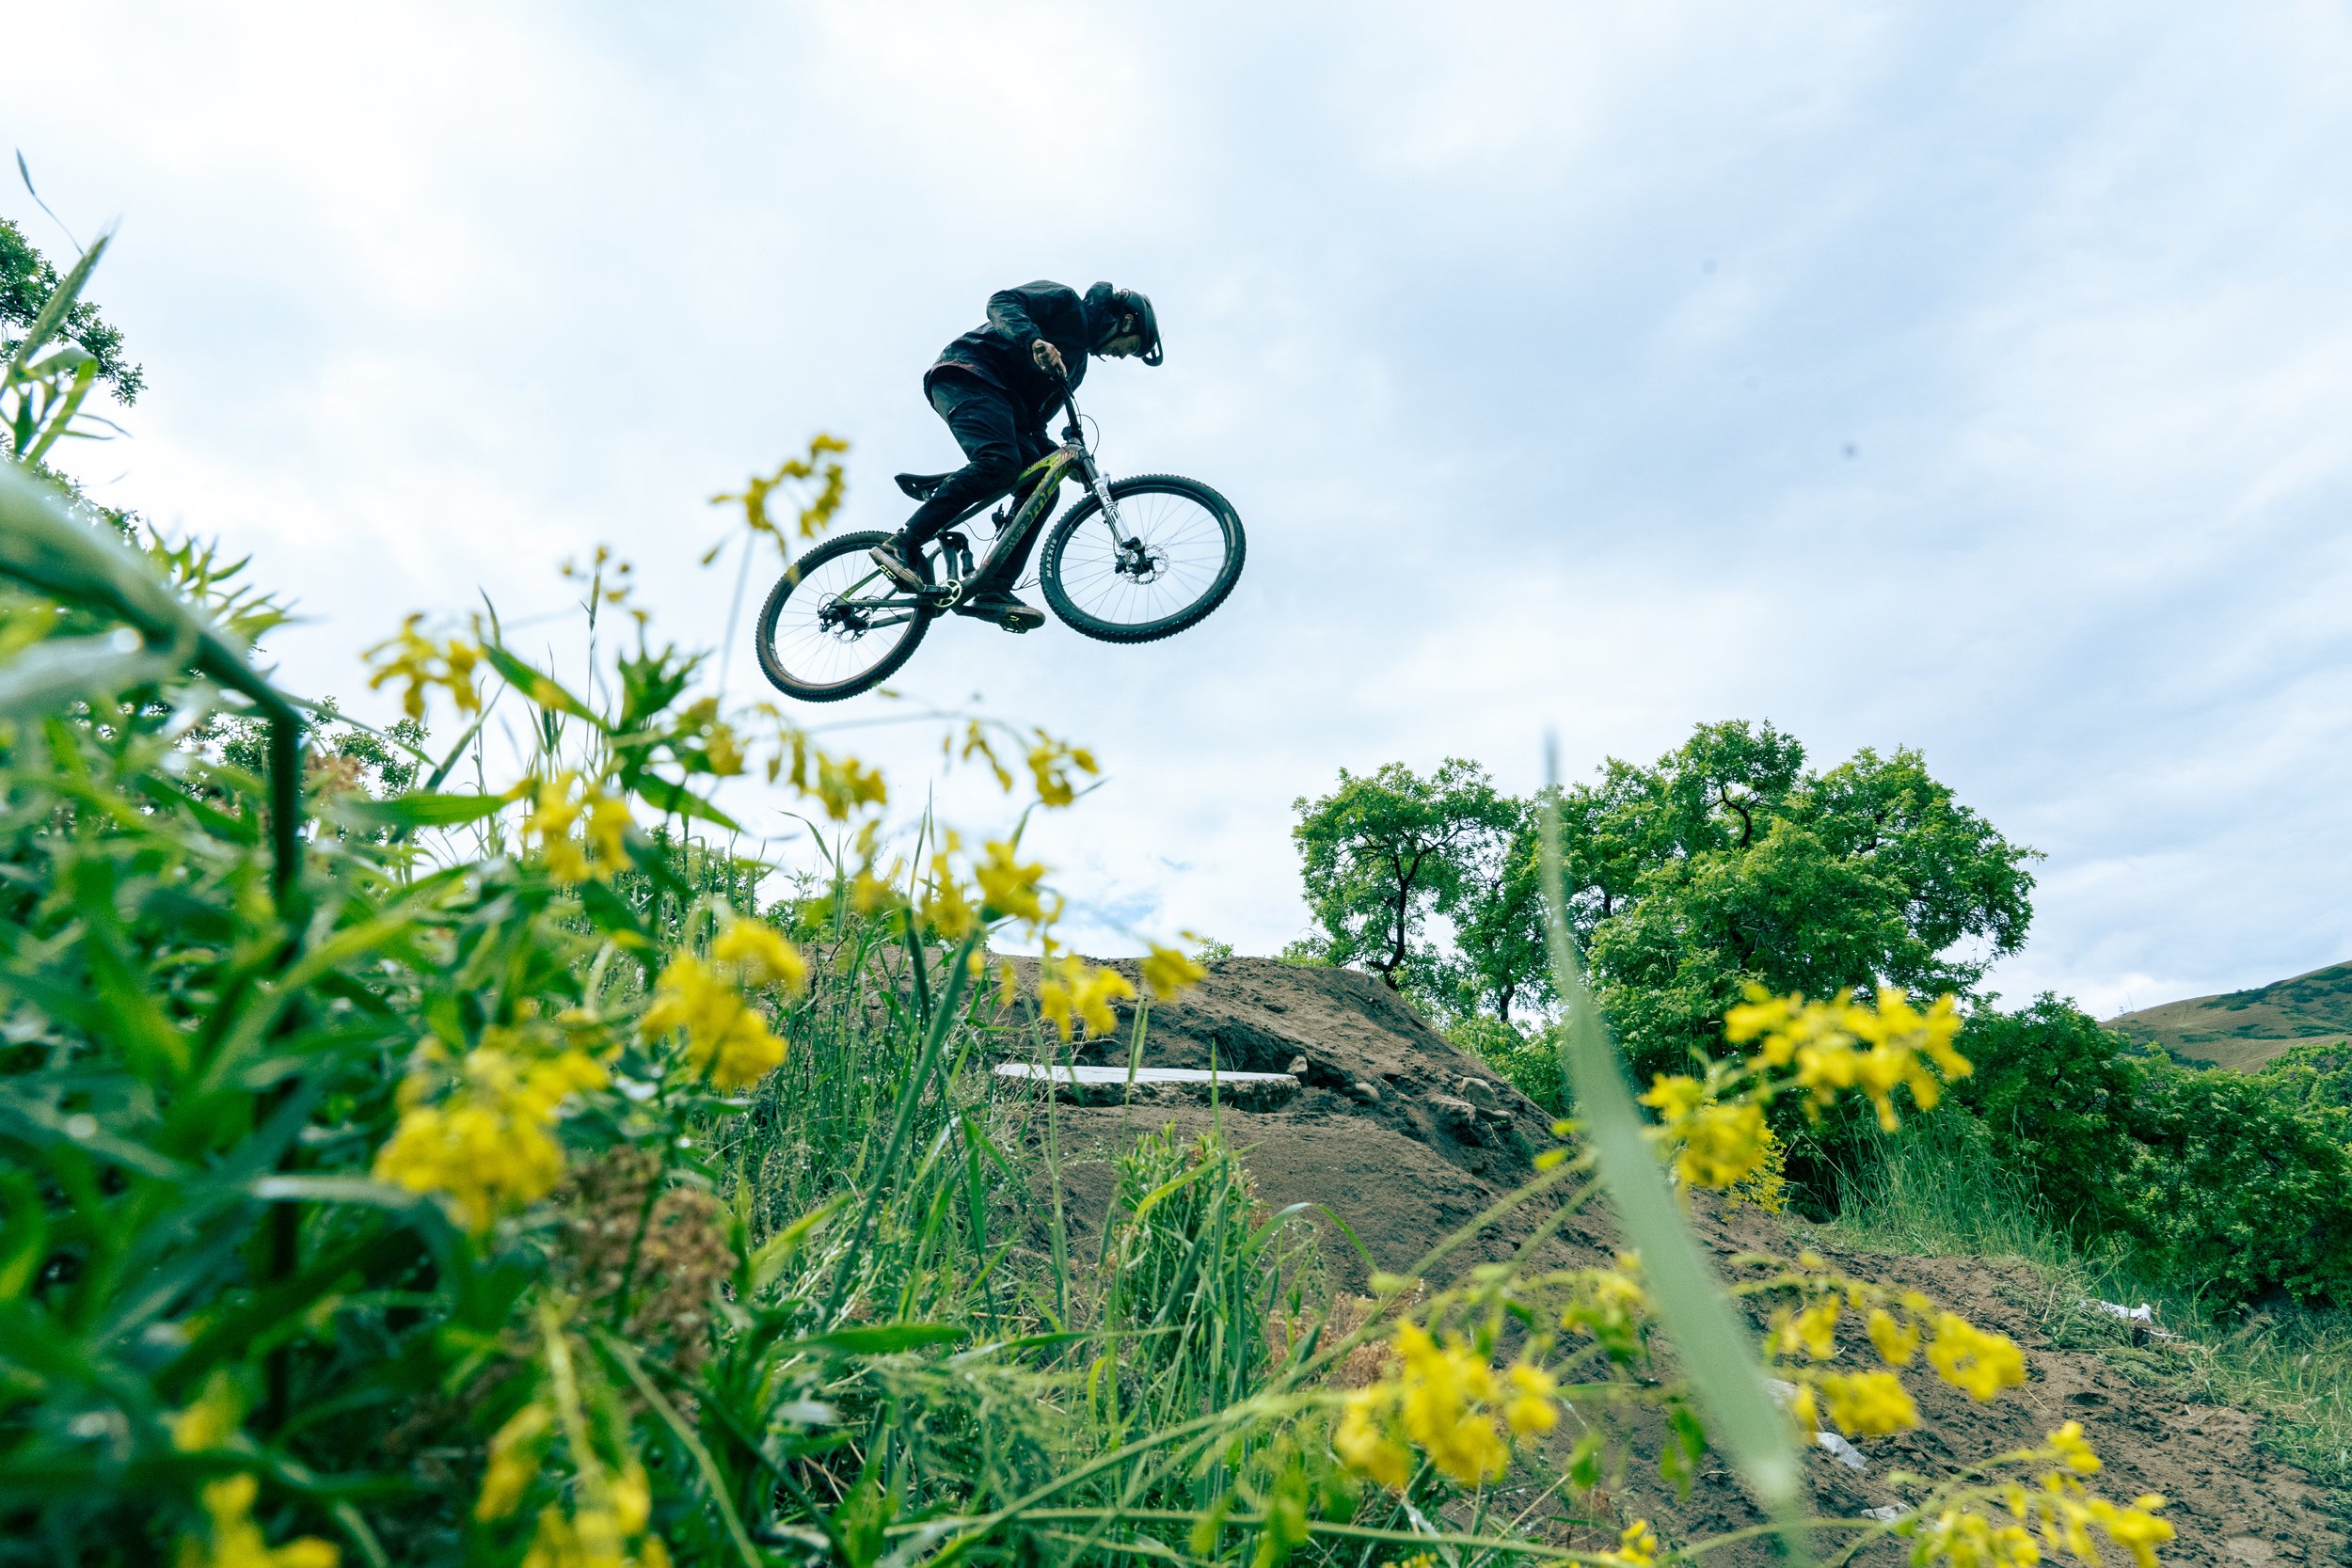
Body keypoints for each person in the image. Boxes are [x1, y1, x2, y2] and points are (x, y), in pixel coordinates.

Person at [869, 280, 1161, 630]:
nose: (1122, 355)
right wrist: (1034, 341)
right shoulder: (1065, 302)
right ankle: (900, 544)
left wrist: (1061, 459)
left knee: (1043, 484)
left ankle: (993, 588)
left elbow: (1034, 426)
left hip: (1007, 407)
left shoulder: (1076, 366)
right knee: (999, 461)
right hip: (966, 374)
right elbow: (1001, 302)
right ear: (1127, 322)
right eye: (1131, 348)